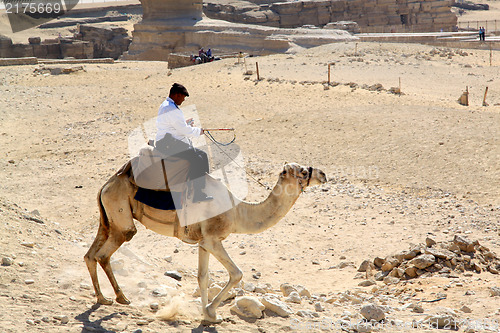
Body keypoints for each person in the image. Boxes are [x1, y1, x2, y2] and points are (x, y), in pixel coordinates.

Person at [155, 83, 213, 202]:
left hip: (168, 141)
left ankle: (201, 186)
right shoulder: (171, 108)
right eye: (183, 97)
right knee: (196, 158)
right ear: (176, 95)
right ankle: (197, 193)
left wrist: (186, 124)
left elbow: (174, 126)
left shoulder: (167, 106)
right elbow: (183, 130)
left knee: (203, 155)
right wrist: (198, 131)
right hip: (168, 144)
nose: (183, 99)